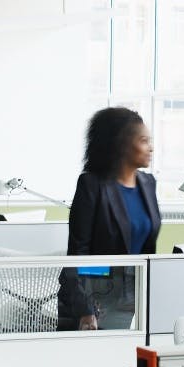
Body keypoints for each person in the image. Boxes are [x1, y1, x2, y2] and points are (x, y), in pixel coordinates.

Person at [58, 106, 161, 331]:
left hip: (133, 294)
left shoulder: (148, 184)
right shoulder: (91, 185)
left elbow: (147, 248)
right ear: (121, 144)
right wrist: (85, 310)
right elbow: (78, 253)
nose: (151, 148)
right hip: (95, 297)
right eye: (144, 140)